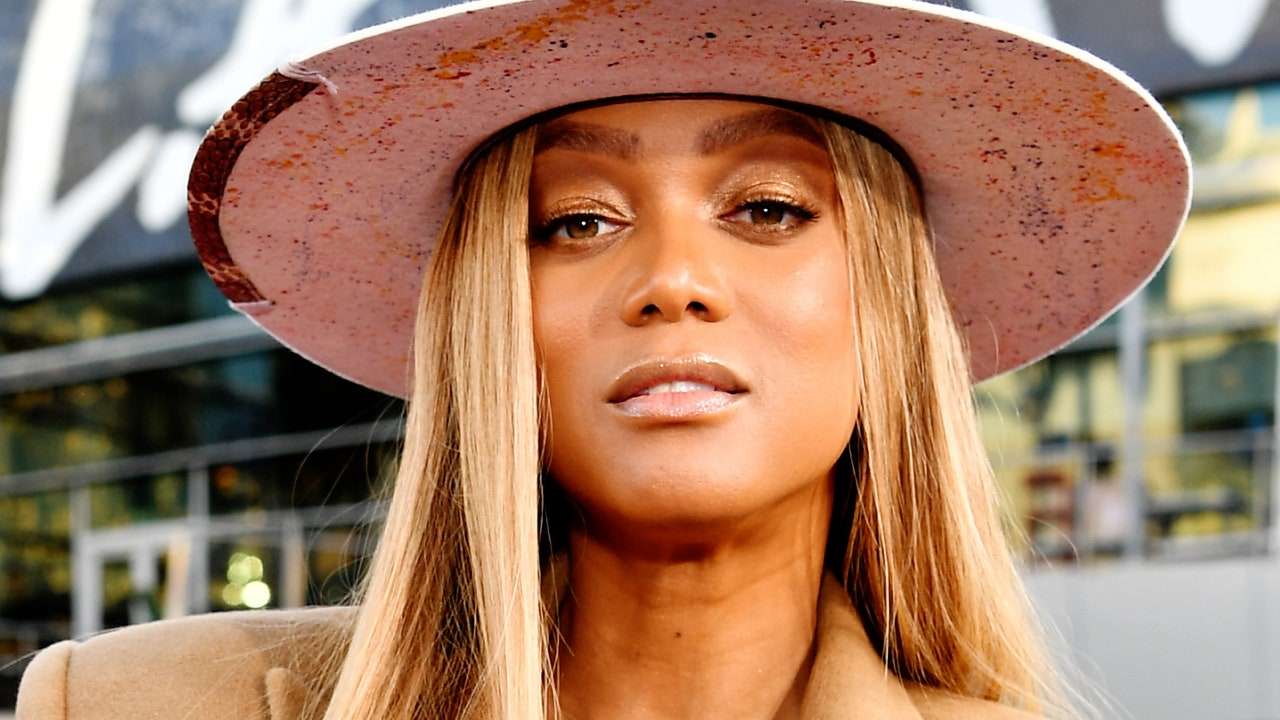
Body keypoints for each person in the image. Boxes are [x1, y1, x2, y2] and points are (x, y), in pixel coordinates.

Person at [14, 1, 1191, 718]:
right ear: (487, 320)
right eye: (576, 220)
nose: (673, 279)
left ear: (888, 309)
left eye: (768, 208)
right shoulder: (122, 708)